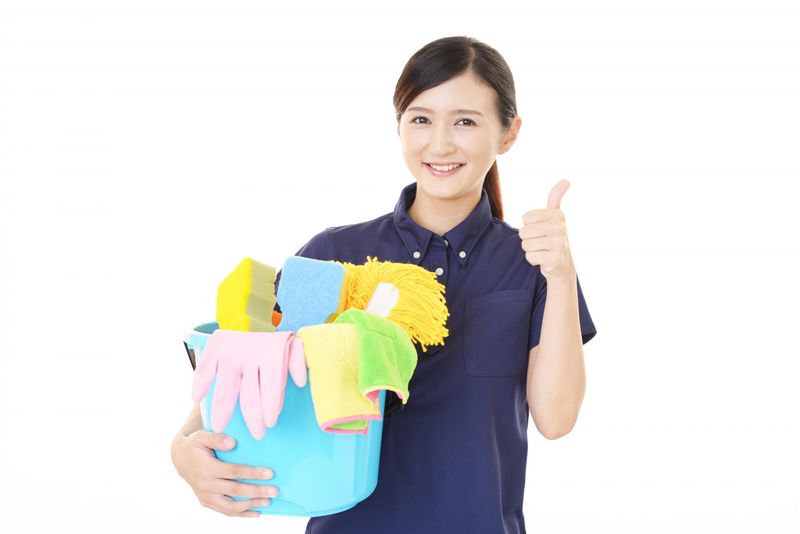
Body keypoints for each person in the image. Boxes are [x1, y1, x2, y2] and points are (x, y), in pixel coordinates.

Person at [171, 35, 597, 534]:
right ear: (399, 126)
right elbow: (238, 373)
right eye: (421, 119)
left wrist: (561, 273)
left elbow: (556, 419)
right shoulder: (334, 253)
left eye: (465, 121)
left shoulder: (530, 265)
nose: (440, 144)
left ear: (508, 133)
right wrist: (183, 451)